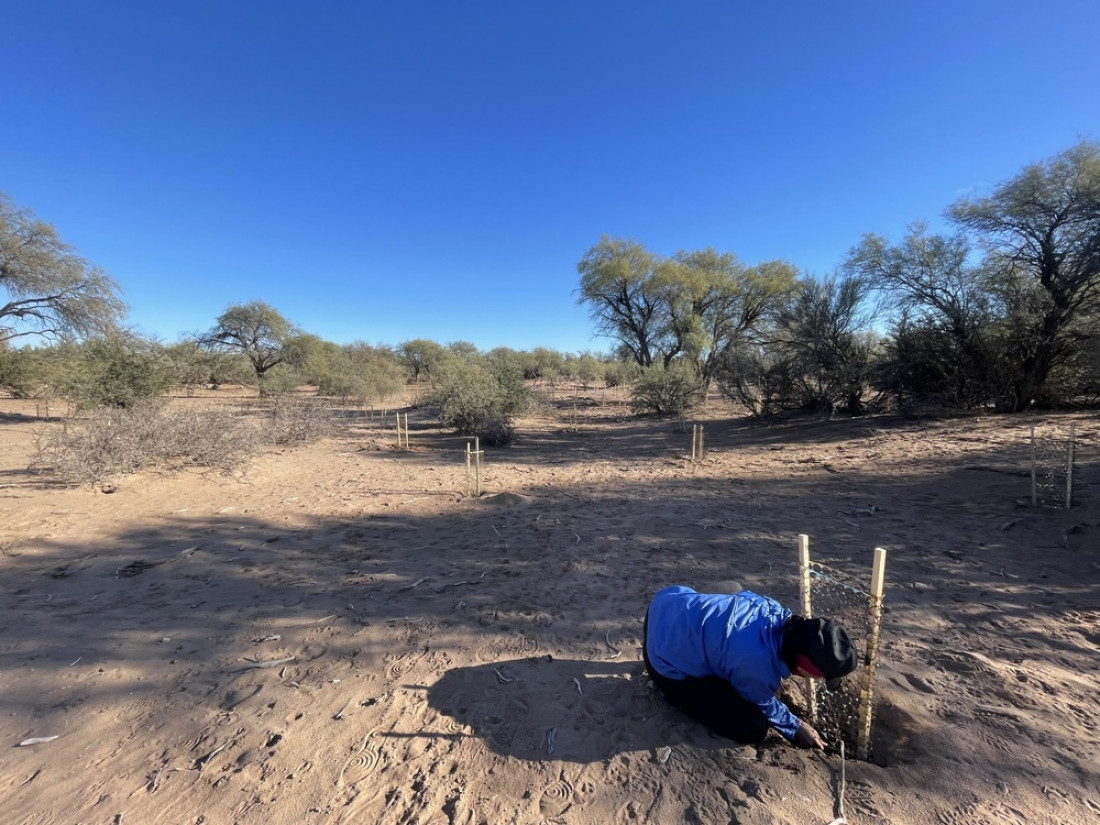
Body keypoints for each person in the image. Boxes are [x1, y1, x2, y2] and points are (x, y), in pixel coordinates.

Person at [643, 584, 857, 749]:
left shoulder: (774, 610)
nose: (816, 680)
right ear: (806, 666)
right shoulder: (757, 666)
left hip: (665, 605)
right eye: (819, 677)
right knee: (753, 727)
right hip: (661, 660)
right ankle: (669, 694)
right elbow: (761, 700)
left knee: (734, 589)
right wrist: (795, 726)